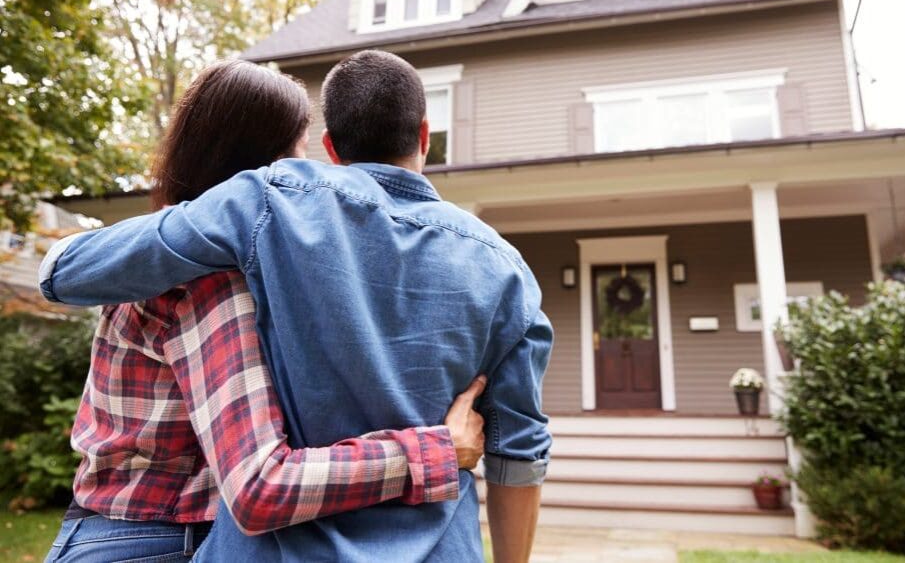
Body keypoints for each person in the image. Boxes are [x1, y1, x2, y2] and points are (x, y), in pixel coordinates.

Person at [40, 50, 553, 563]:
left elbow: (64, 273)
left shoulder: (266, 208)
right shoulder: (508, 271)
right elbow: (520, 454)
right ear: (424, 136)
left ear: (330, 148)